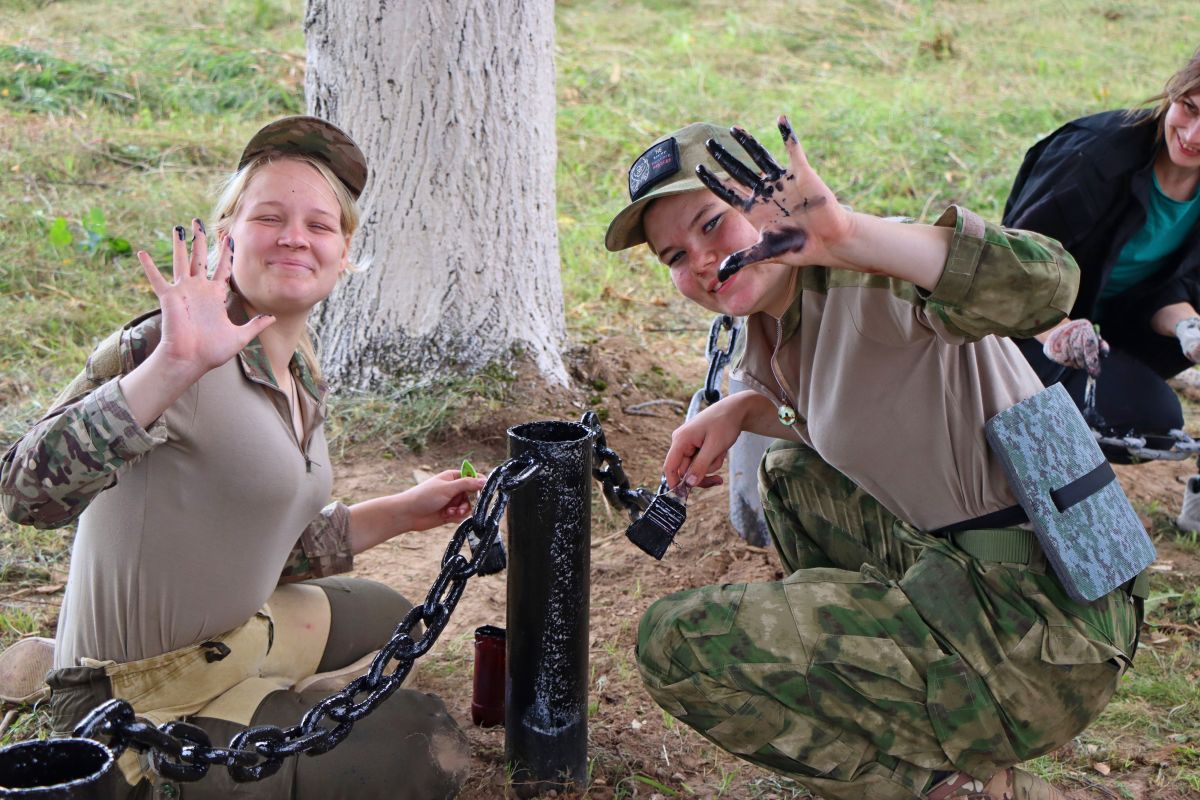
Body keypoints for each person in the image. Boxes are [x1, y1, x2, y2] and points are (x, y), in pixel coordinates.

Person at [604, 118, 1143, 800]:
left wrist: (850, 235)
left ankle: (952, 787)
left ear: (768, 201)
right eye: (674, 256)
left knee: (676, 644)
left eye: (713, 224)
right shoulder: (779, 314)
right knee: (792, 477)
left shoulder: (871, 271)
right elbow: (858, 412)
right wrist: (741, 410)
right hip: (985, 576)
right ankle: (918, 730)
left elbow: (1051, 285)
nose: (701, 262)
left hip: (1046, 634)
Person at [0, 116, 481, 799]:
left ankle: (271, 696)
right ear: (227, 234)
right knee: (425, 744)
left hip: (235, 632)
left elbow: (265, 542)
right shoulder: (169, 347)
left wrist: (403, 512)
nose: (295, 236)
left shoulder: (298, 372)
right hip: (139, 696)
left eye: (320, 225)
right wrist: (169, 368)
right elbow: (24, 493)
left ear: (344, 254)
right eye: (270, 217)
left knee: (391, 614)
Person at [1003, 47, 1200, 530]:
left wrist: (1189, 327)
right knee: (1127, 418)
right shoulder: (1092, 155)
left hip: (1119, 331)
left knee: (1152, 424)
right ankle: (1013, 486)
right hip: (1024, 327)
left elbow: (1168, 289)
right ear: (1173, 94)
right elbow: (1009, 270)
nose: (1193, 136)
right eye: (1190, 109)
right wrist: (1058, 330)